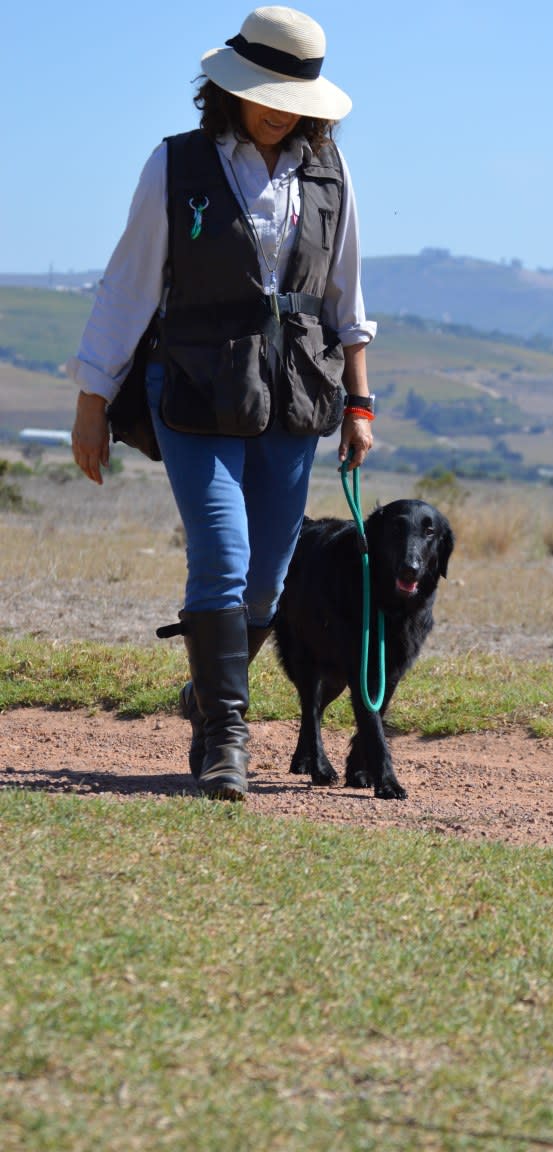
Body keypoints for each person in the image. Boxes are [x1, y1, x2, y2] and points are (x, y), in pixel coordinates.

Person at [68, 7, 377, 802]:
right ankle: (224, 742)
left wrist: (360, 403)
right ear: (228, 88)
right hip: (195, 391)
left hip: (297, 396)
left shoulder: (332, 177)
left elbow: (346, 298)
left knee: (268, 582)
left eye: (292, 94)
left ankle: (208, 691)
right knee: (222, 553)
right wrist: (92, 399)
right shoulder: (175, 165)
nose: (279, 107)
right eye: (263, 89)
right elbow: (128, 288)